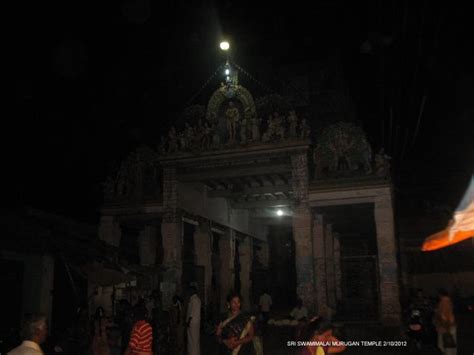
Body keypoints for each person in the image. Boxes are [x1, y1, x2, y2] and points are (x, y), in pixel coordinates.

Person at [433, 289, 457, 355]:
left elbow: (444, 316)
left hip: (446, 326)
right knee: (451, 346)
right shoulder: (449, 301)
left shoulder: (443, 302)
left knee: (447, 346)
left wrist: (446, 328)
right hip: (450, 326)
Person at [186, 286, 201, 355]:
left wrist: (188, 322)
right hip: (195, 322)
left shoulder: (194, 299)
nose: (188, 292)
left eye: (190, 291)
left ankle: (193, 353)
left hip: (192, 323)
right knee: (194, 340)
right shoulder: (196, 299)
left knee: (193, 340)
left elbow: (192, 312)